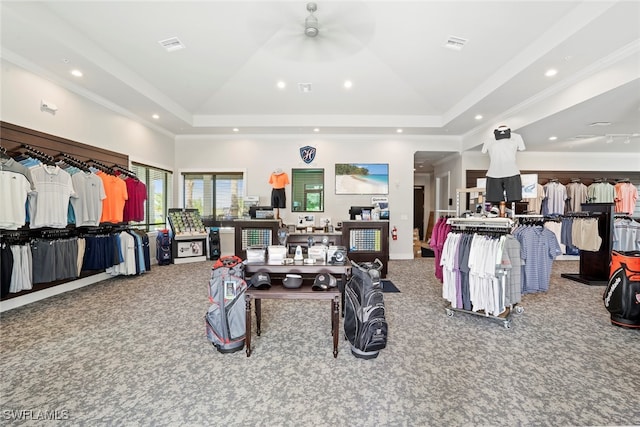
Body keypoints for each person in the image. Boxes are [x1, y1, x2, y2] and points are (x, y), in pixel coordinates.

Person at [482, 125, 526, 204]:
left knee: (514, 202)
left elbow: (522, 148)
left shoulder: (517, 137)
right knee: (495, 203)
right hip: (493, 174)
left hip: (512, 173)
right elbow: (484, 151)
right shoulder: (489, 140)